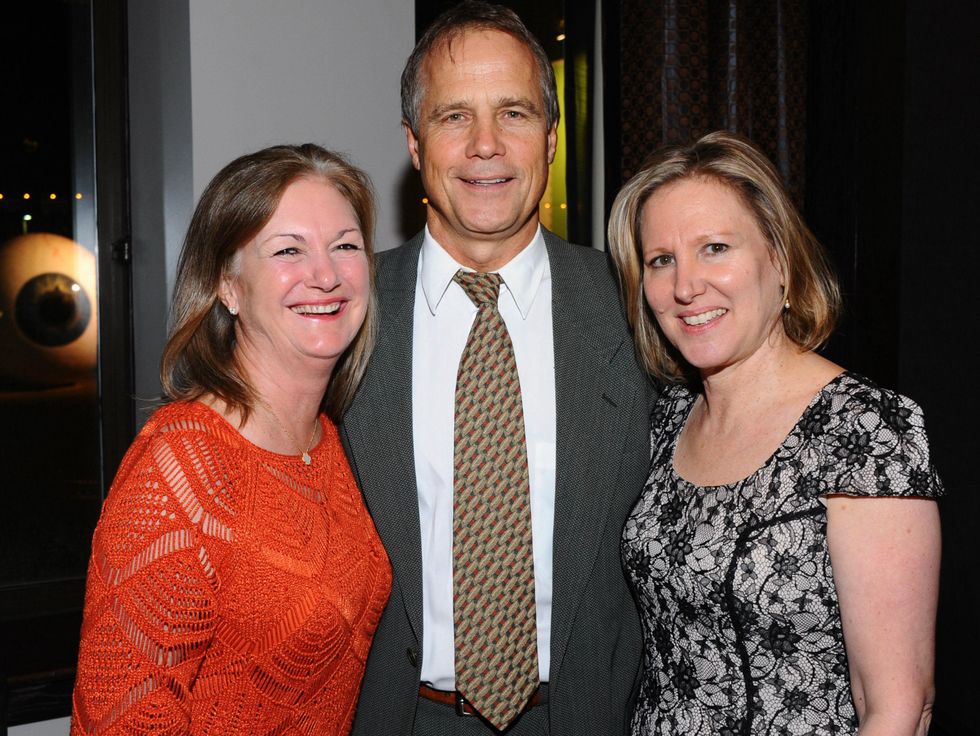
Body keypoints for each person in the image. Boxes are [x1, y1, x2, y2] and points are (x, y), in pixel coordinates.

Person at [340, 2, 653, 734]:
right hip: (400, 716)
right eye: (454, 117)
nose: (486, 145)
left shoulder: (639, 310)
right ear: (414, 145)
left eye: (512, 113)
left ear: (550, 138)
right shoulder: (339, 315)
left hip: (584, 716)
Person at [607, 130, 943, 735]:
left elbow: (898, 708)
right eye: (661, 260)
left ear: (780, 261)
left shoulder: (864, 430)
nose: (685, 286)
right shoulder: (668, 420)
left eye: (714, 248)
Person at [70, 144, 391, 735]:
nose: (326, 274)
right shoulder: (183, 467)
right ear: (228, 287)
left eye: (345, 245)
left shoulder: (334, 443)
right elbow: (122, 718)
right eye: (289, 250)